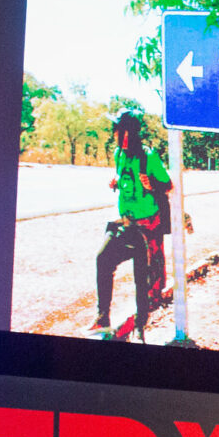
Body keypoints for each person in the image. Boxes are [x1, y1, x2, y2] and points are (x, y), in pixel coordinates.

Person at [93, 112, 171, 339]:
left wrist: (152, 183)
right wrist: (116, 182)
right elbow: (123, 177)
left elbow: (167, 184)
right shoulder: (119, 154)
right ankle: (102, 317)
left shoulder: (149, 157)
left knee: (142, 278)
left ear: (130, 132)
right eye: (116, 130)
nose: (116, 134)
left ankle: (140, 327)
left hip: (147, 228)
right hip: (126, 224)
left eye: (119, 130)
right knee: (103, 258)